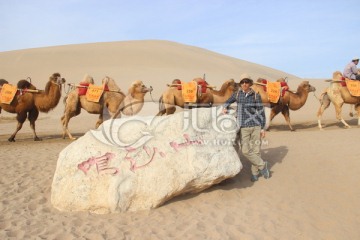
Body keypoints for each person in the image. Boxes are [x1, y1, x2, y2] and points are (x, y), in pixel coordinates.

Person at [222, 74, 270, 182]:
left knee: (256, 150)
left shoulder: (255, 96)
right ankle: (263, 165)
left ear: (250, 83)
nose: (244, 84)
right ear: (240, 84)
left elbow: (261, 112)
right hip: (243, 127)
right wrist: (225, 107)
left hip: (256, 126)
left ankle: (255, 173)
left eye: (247, 82)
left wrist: (262, 128)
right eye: (242, 82)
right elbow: (227, 101)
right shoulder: (237, 94)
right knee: (245, 150)